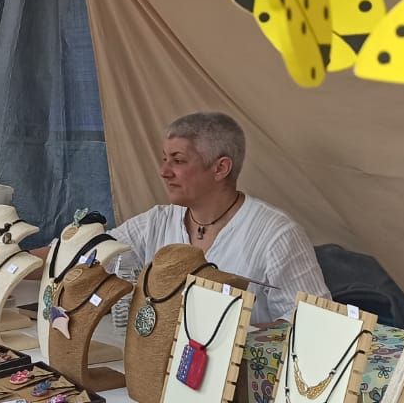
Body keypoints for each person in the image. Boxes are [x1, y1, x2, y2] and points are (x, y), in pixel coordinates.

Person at [110, 111, 329, 322]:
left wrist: (232, 338)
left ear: (220, 168)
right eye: (165, 158)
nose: (163, 171)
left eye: (178, 161)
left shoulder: (276, 235)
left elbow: (313, 319)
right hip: (155, 359)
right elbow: (98, 257)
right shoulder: (156, 222)